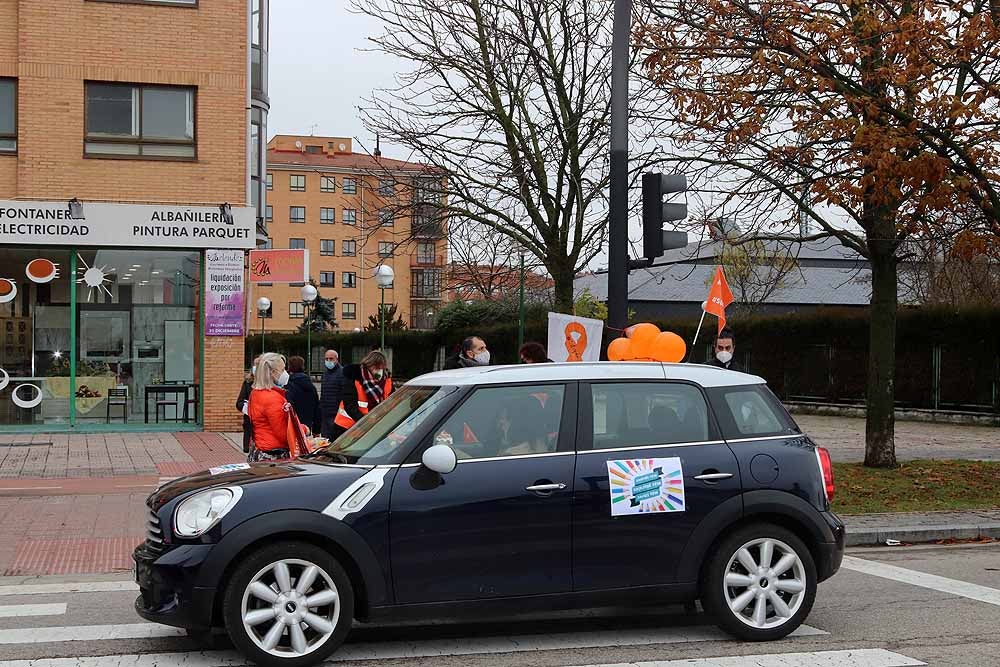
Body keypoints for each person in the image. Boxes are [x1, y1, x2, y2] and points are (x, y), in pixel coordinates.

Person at [332, 350, 394, 439]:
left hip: (371, 429)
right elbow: (350, 406)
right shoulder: (354, 378)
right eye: (376, 367)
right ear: (368, 365)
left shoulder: (386, 380)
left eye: (381, 368)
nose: (379, 371)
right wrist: (366, 423)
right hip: (347, 428)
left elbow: (393, 402)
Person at [247, 353, 292, 462]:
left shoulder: (255, 393)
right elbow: (283, 434)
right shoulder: (273, 398)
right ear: (272, 373)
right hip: (273, 454)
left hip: (259, 448)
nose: (285, 373)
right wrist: (303, 429)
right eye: (282, 370)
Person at [284, 355, 320, 434]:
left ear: (289, 367)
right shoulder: (311, 386)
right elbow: (317, 408)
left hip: (293, 426)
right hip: (307, 427)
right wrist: (317, 430)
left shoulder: (288, 386)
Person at [235, 355, 260, 453]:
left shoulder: (272, 385)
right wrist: (249, 408)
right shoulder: (248, 383)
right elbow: (239, 403)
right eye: (255, 365)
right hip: (249, 424)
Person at [319, 349, 344, 439]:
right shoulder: (325, 374)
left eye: (331, 359)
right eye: (326, 359)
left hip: (336, 414)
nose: (328, 361)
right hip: (325, 413)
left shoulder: (342, 373)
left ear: (337, 359)